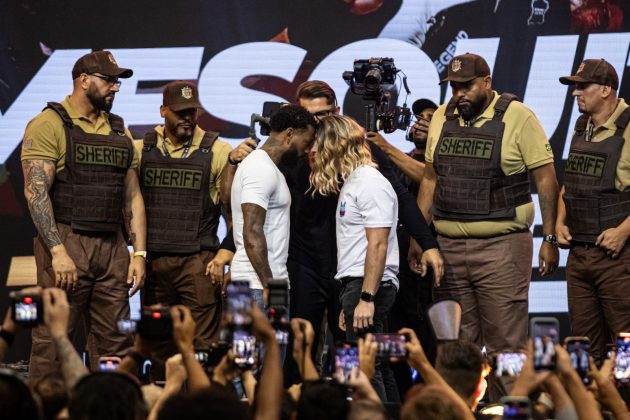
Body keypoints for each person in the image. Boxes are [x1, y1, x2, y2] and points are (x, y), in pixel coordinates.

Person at [418, 53, 559, 398]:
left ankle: (510, 409)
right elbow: (431, 179)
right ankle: (457, 412)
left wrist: (550, 236)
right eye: (453, 87)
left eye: (466, 86)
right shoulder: (441, 116)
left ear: (486, 82)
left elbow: (545, 180)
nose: (458, 93)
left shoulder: (518, 117)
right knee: (455, 351)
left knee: (506, 348)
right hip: (449, 248)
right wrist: (420, 239)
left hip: (501, 247)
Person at [285, 81, 443, 385]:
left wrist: (427, 243)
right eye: (311, 116)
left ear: (337, 112)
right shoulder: (292, 152)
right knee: (299, 344)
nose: (319, 123)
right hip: (307, 263)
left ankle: (363, 406)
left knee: (356, 354)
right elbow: (262, 202)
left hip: (352, 267)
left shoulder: (360, 152)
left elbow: (401, 196)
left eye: (325, 114)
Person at [20, 51, 146, 381]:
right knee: (52, 342)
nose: (116, 88)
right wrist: (57, 251)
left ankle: (111, 409)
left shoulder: (119, 132)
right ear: (84, 80)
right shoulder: (49, 124)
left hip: (111, 246)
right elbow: (35, 192)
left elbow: (133, 196)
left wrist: (140, 253)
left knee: (116, 344)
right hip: (67, 241)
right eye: (109, 80)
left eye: (118, 82)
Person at [136, 81, 232, 352]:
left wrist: (229, 256)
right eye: (180, 112)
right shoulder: (140, 149)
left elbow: (232, 210)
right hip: (155, 260)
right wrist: (136, 254)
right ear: (163, 110)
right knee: (157, 345)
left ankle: (203, 395)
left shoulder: (219, 150)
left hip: (199, 261)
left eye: (192, 112)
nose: (187, 118)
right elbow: (129, 204)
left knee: (203, 346)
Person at [310, 114, 399, 401]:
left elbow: (378, 244)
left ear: (335, 146)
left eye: (319, 146)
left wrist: (366, 298)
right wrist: (353, 296)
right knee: (376, 366)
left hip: (369, 286)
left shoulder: (370, 183)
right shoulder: (354, 182)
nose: (314, 153)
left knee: (364, 370)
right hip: (357, 285)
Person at [557, 58, 630, 363]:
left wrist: (623, 231)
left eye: (582, 86)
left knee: (626, 347)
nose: (576, 93)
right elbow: (569, 183)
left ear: (605, 89)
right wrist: (559, 222)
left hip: (618, 256)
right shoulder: (581, 127)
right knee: (582, 351)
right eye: (575, 87)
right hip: (580, 256)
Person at [230, 104, 316, 307]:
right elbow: (251, 230)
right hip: (259, 285)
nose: (308, 149)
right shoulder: (260, 168)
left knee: (270, 340)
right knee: (267, 340)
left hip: (261, 282)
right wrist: (270, 285)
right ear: (290, 134)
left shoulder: (264, 166)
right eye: (307, 141)